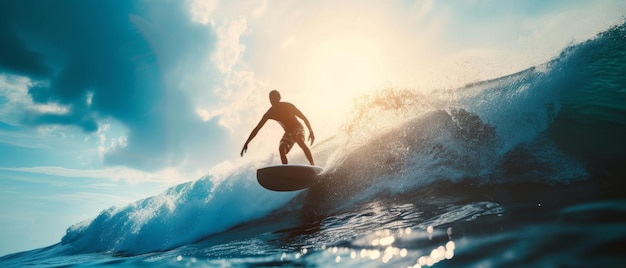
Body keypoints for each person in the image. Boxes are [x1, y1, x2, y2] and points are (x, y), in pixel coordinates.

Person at [241, 90, 315, 165]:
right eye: (270, 98)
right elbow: (257, 129)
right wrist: (247, 142)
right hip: (288, 132)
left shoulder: (288, 106)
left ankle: (312, 164)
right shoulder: (269, 113)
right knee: (281, 148)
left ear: (279, 98)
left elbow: (303, 118)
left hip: (297, 127)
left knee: (300, 141)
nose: (272, 100)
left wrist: (311, 131)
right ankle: (286, 171)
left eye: (274, 98)